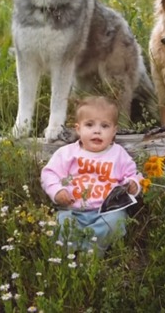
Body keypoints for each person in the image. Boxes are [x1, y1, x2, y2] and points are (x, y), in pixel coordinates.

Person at [41, 96, 143, 255]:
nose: (97, 131)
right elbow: (49, 174)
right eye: (89, 125)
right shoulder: (67, 153)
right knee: (61, 223)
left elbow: (133, 174)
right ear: (78, 128)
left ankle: (92, 251)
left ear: (114, 131)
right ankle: (69, 252)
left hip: (106, 212)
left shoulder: (118, 155)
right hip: (73, 210)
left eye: (105, 126)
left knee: (116, 221)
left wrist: (133, 184)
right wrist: (57, 192)